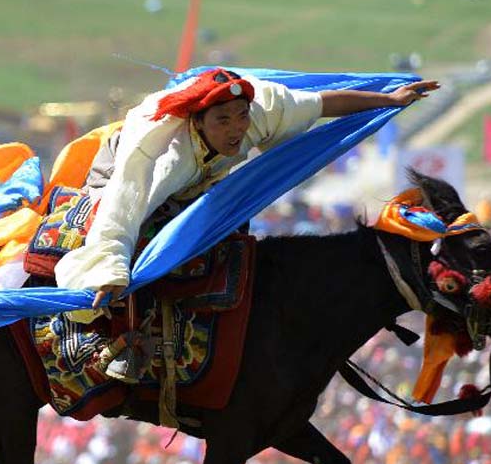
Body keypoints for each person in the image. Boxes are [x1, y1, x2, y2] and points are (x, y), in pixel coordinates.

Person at [54, 67, 439, 380]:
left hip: (201, 183)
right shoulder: (161, 155)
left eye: (240, 117)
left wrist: (391, 100)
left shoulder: (260, 109)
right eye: (223, 120)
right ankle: (121, 343)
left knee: (232, 234)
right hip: (122, 174)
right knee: (145, 246)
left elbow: (323, 103)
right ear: (198, 122)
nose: (237, 128)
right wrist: (110, 269)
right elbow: (123, 208)